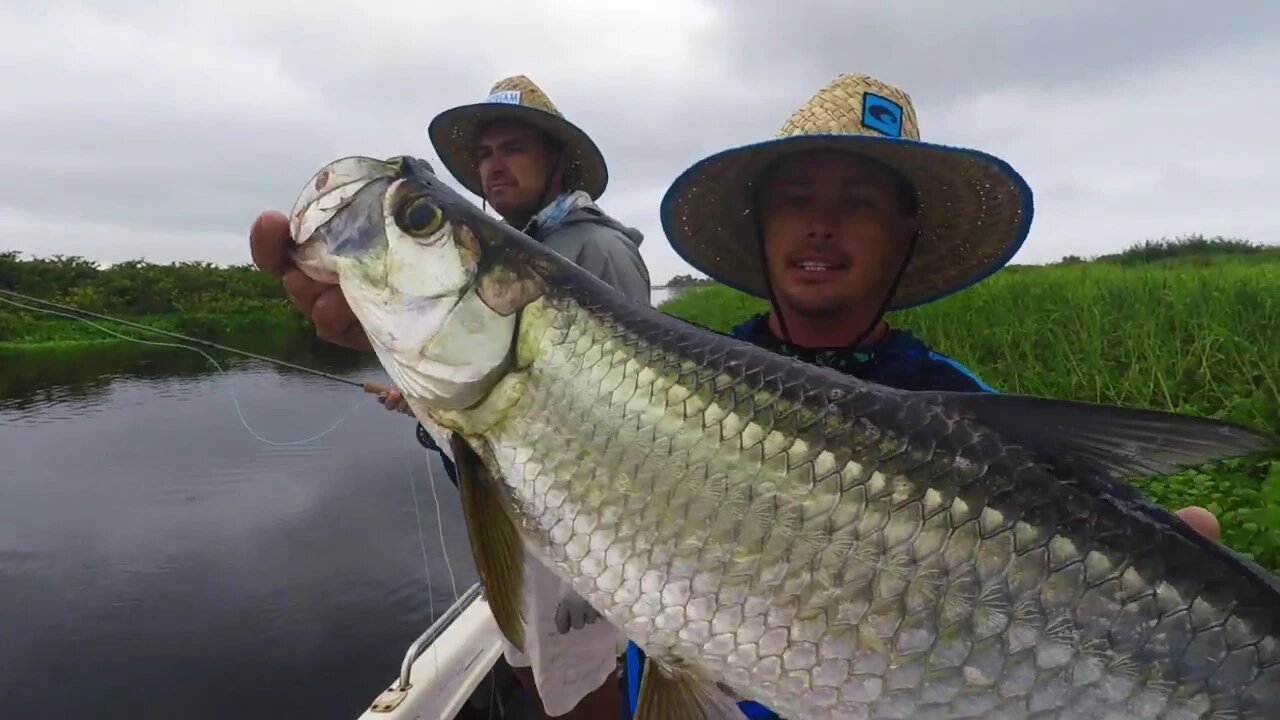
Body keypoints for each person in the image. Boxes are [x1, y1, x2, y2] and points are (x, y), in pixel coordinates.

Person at [626, 72, 1223, 719]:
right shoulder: (662, 387)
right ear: (764, 225)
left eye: (857, 203)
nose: (821, 226)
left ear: (907, 233)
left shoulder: (971, 417)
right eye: (796, 200)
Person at [251, 75, 650, 719]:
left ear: (555, 160)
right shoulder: (510, 251)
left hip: (582, 525)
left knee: (580, 683)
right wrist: (430, 404)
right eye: (486, 153)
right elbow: (520, 394)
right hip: (516, 510)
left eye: (513, 148)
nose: (494, 165)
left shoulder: (596, 248)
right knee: (529, 666)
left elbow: (629, 408)